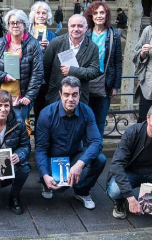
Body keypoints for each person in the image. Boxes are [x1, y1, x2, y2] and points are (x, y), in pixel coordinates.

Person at [35, 76, 107, 209]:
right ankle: (46, 183)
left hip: (74, 155)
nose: (70, 99)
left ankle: (82, 191)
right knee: (59, 189)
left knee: (100, 159)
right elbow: (40, 149)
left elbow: (97, 141)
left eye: (74, 95)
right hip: (54, 159)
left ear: (80, 94)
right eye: (66, 94)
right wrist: (45, 174)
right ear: (60, 94)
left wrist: (80, 164)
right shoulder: (47, 114)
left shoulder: (86, 111)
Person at [0, 9, 43, 126]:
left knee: (19, 130)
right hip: (0, 98)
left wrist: (29, 96)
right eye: (12, 23)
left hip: (21, 99)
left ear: (24, 24)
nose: (15, 25)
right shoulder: (1, 43)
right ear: (8, 25)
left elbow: (38, 73)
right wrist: (3, 76)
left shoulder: (33, 45)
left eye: (19, 22)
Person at [43, 14, 100, 105]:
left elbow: (94, 72)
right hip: (56, 96)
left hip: (79, 98)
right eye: (73, 26)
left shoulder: (93, 47)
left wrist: (72, 70)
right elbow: (45, 68)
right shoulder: (56, 43)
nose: (76, 29)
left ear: (86, 28)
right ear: (68, 27)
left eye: (80, 26)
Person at [84, 1, 123, 136]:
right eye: (95, 13)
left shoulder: (113, 35)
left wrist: (115, 86)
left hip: (105, 82)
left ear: (106, 15)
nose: (99, 16)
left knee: (100, 120)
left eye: (102, 12)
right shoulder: (86, 34)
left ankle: (96, 149)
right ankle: (84, 151)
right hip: (87, 81)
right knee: (85, 119)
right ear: (91, 16)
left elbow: (118, 61)